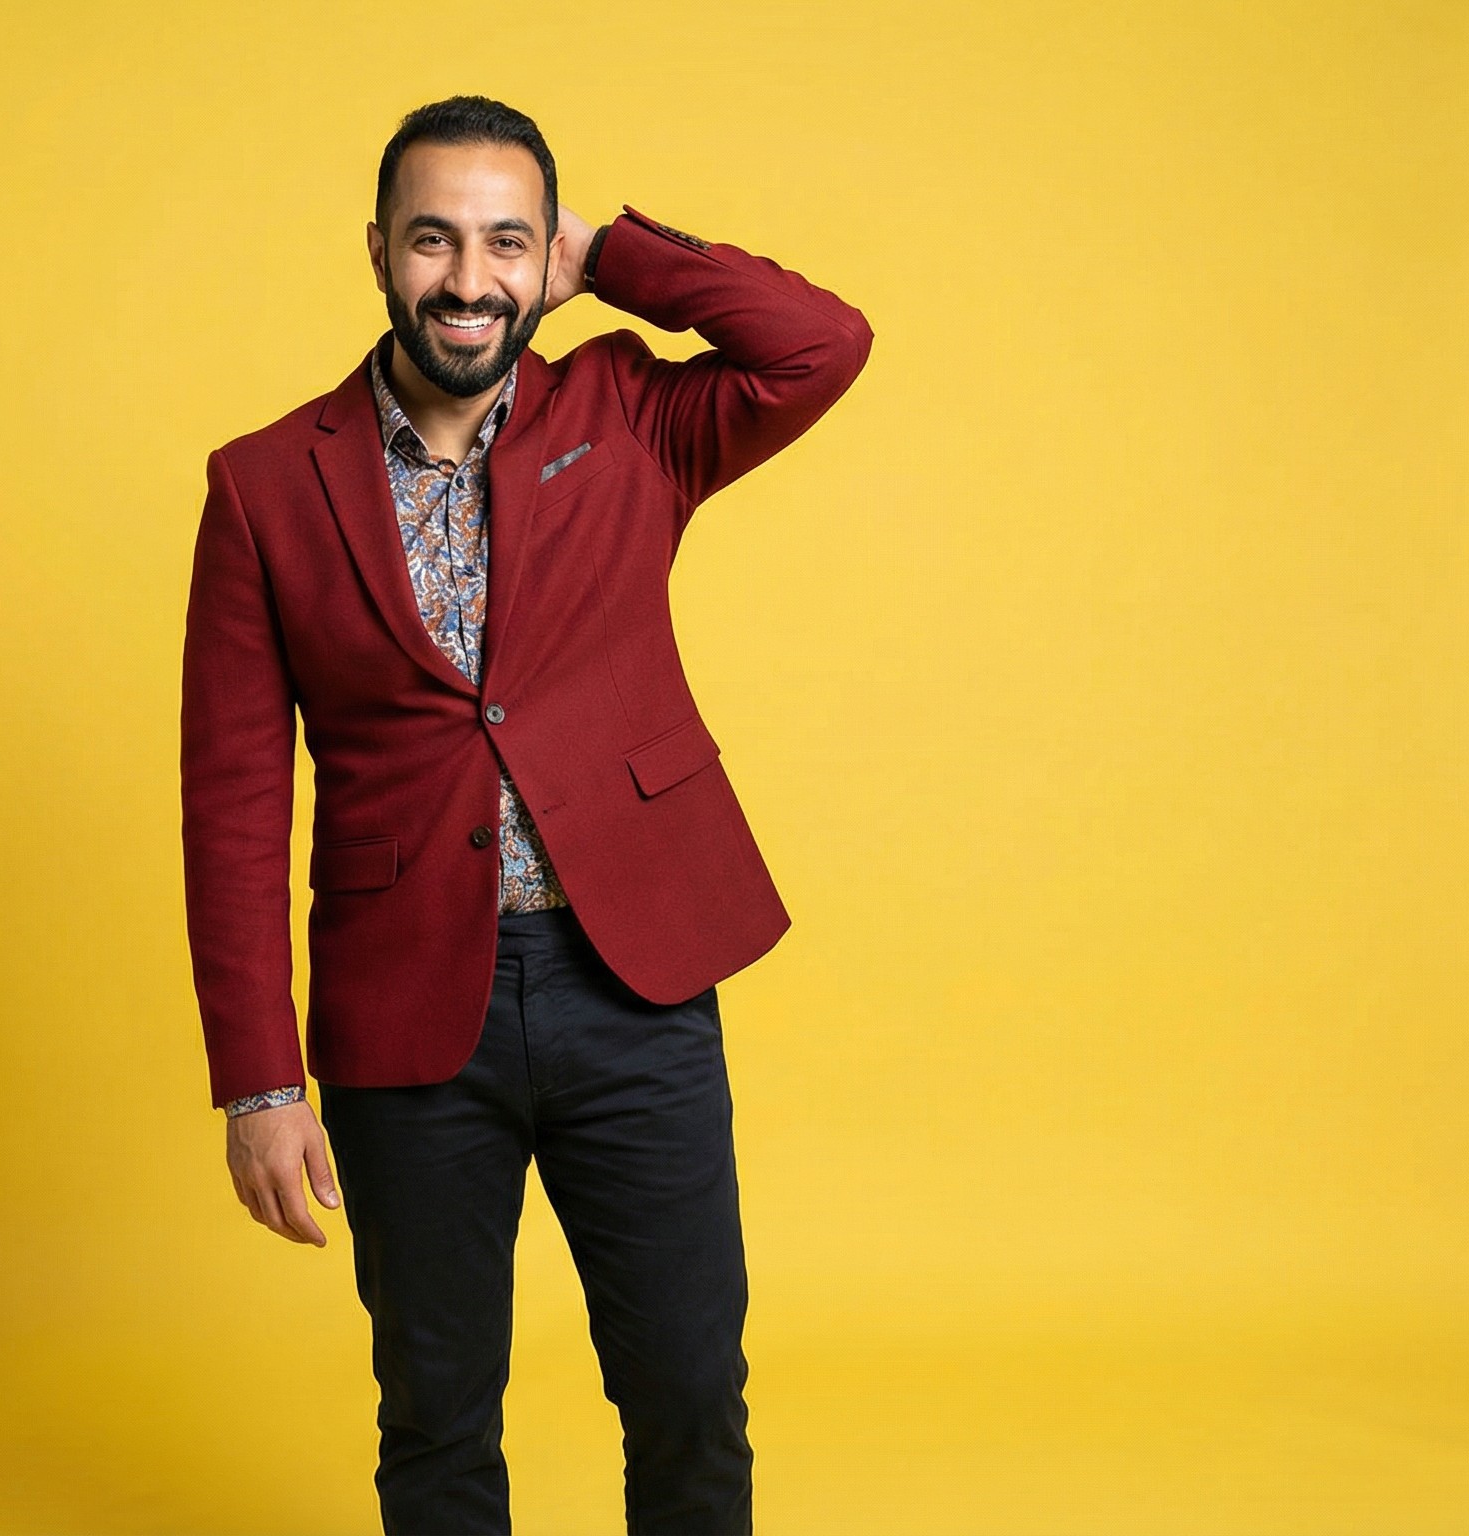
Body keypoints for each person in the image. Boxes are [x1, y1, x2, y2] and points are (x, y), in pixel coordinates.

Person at [179, 93, 872, 1535]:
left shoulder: (626, 415)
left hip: (634, 983)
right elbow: (233, 801)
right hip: (408, 1009)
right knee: (437, 1415)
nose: (470, 279)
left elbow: (822, 343)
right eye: (434, 239)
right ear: (379, 250)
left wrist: (614, 249)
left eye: (507, 241)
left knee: (687, 1391)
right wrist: (258, 1083)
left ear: (538, 256)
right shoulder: (262, 487)